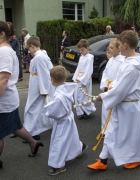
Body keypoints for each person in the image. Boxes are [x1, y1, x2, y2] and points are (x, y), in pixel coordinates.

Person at [87, 30, 140, 171]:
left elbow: (121, 90)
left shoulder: (132, 66)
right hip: (123, 105)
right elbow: (119, 82)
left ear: (125, 45)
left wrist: (103, 96)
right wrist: (111, 86)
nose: (118, 47)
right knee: (111, 131)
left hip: (129, 107)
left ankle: (137, 158)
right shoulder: (128, 61)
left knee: (131, 135)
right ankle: (103, 160)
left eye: (119, 45)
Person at [0, 21, 44, 168]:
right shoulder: (4, 50)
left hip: (3, 101)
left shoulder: (4, 52)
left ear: (2, 34)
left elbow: (3, 80)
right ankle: (33, 142)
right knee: (16, 126)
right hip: (8, 100)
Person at [44, 66, 88, 176]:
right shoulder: (66, 88)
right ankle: (79, 147)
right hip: (68, 118)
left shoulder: (59, 96)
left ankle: (58, 165)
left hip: (63, 121)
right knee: (70, 136)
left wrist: (47, 105)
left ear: (52, 79)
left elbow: (54, 112)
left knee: (59, 141)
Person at [23, 36, 54, 142]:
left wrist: (44, 90)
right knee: (34, 108)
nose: (29, 51)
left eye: (29, 48)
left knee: (33, 109)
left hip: (38, 88)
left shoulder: (38, 57)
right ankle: (31, 130)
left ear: (32, 46)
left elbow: (43, 74)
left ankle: (33, 132)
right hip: (35, 86)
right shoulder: (41, 54)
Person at [100, 39, 125, 134]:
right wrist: (104, 85)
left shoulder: (123, 61)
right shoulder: (110, 60)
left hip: (114, 89)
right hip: (107, 88)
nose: (109, 50)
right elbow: (105, 73)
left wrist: (111, 86)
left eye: (111, 47)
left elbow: (120, 77)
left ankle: (113, 131)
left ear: (119, 49)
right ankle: (105, 130)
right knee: (105, 110)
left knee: (114, 111)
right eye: (109, 47)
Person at [72, 39, 96, 120]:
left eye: (82, 50)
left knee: (84, 96)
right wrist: (75, 78)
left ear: (87, 48)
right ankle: (81, 111)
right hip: (79, 78)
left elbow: (89, 70)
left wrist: (82, 79)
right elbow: (78, 68)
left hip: (85, 79)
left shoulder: (90, 58)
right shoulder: (81, 57)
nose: (81, 51)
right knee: (77, 96)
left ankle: (86, 111)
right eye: (80, 50)